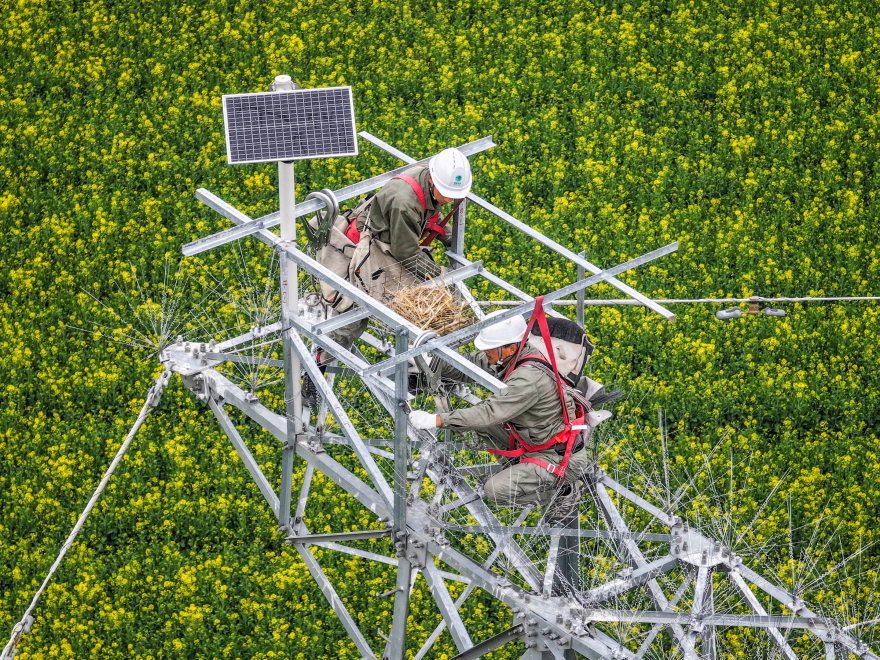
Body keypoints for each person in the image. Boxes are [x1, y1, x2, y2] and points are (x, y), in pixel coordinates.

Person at [408, 301, 610, 523]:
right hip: (536, 442)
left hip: (558, 457)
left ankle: (565, 491)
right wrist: (437, 360)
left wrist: (437, 419)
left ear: (511, 348)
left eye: (490, 349)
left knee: (494, 490)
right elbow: (475, 365)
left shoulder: (527, 379)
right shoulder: (516, 354)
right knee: (479, 424)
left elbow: (490, 412)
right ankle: (523, 470)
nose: (485, 353)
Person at [304, 147, 473, 405]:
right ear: (432, 180)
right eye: (447, 193)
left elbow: (432, 214)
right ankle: (315, 370)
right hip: (377, 248)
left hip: (397, 241)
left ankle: (421, 374)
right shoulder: (405, 203)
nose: (450, 199)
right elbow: (405, 252)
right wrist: (438, 277)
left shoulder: (431, 184)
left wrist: (448, 236)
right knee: (354, 315)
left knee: (426, 311)